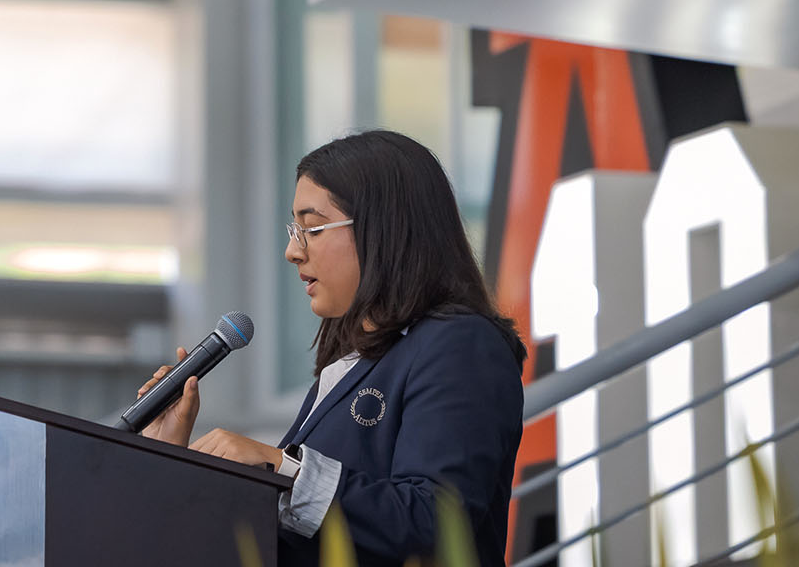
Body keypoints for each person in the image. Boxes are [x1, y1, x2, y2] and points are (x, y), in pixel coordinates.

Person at [138, 130, 526, 566]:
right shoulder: (355, 361)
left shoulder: (460, 345)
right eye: (294, 229)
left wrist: (282, 468)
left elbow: (434, 521)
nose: (292, 251)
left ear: (387, 229)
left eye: (313, 228)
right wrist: (166, 456)